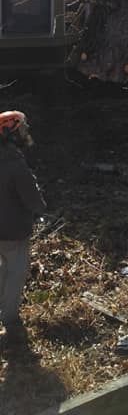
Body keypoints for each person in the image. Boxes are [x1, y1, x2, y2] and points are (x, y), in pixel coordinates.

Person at [0, 111, 46, 344]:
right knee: (15, 273)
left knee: (3, 268)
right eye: (21, 129)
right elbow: (31, 196)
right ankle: (10, 321)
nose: (25, 133)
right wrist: (40, 209)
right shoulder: (13, 160)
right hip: (12, 229)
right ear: (10, 132)